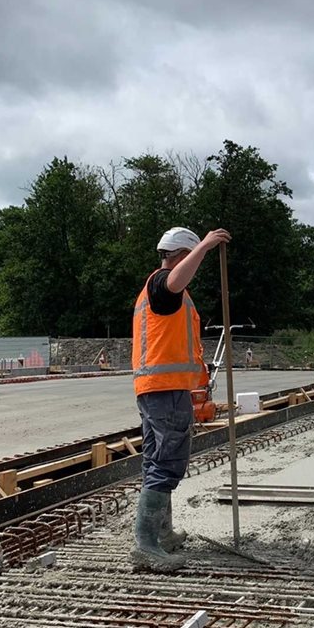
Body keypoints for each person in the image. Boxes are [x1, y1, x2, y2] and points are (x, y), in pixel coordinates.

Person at [131, 225, 231, 571]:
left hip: (157, 389)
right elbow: (174, 281)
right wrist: (204, 246)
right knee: (167, 464)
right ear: (181, 256)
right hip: (165, 390)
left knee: (155, 461)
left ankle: (162, 533)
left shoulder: (159, 291)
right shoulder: (162, 284)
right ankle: (146, 544)